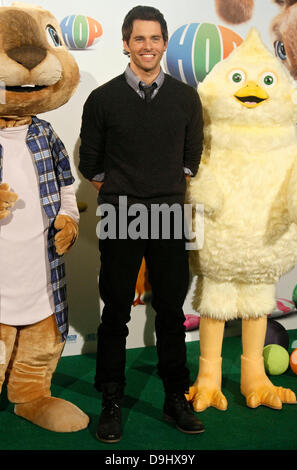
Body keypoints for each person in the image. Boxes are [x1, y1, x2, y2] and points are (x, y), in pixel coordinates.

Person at [79, 5, 204, 443]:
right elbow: (89, 163)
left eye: (154, 38)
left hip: (170, 212)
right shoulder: (104, 99)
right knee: (114, 312)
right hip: (120, 212)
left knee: (170, 310)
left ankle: (175, 399)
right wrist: (122, 191)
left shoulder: (186, 98)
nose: (147, 46)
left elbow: (192, 157)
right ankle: (111, 400)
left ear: (164, 43)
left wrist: (162, 187)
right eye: (139, 39)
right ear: (126, 43)